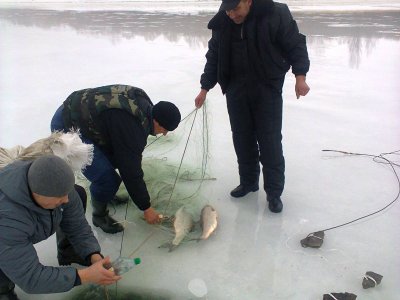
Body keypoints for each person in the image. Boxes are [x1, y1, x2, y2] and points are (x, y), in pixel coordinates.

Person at [194, 0, 310, 213]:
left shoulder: (276, 13)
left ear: (248, 1)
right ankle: (248, 182)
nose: (231, 15)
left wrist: (300, 76)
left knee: (270, 141)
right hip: (236, 88)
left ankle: (274, 193)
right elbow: (214, 56)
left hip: (267, 86)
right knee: (242, 137)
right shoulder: (224, 20)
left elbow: (295, 44)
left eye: (236, 9)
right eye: (227, 10)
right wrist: (205, 88)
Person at [51, 84, 181, 233]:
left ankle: (106, 195)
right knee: (107, 179)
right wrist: (146, 208)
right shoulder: (133, 129)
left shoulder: (144, 105)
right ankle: (99, 216)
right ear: (157, 121)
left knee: (115, 160)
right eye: (165, 130)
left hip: (79, 114)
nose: (164, 134)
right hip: (67, 126)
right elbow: (131, 171)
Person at [0, 155, 121, 300]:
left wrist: (93, 254)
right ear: (36, 193)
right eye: (60, 196)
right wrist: (84, 276)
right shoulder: (7, 220)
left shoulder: (54, 183)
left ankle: (69, 253)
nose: (66, 199)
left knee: (78, 192)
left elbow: (77, 225)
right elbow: (32, 278)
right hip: (5, 232)